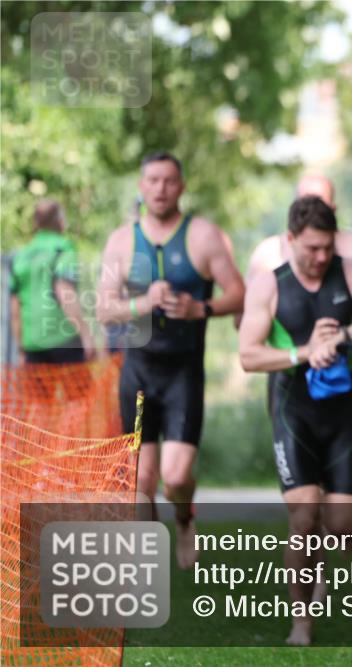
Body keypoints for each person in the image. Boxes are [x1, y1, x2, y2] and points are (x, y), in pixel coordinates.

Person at [239, 195, 352, 646]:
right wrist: (305, 352)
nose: (321, 257)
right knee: (303, 515)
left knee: (342, 524)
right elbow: (247, 355)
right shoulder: (270, 284)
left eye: (327, 247)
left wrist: (342, 336)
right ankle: (301, 622)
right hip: (292, 409)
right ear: (291, 240)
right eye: (311, 249)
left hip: (343, 410)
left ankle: (321, 544)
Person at [96, 151, 245, 569]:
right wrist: (143, 302)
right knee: (142, 479)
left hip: (183, 372)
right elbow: (104, 310)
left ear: (180, 186)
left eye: (169, 181)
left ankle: (184, 520)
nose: (160, 188)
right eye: (153, 180)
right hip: (138, 371)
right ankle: (147, 557)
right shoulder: (121, 241)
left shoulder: (203, 236)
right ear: (142, 187)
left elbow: (239, 293)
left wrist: (202, 310)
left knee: (176, 477)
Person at [245, 173, 352, 284]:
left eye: (320, 205)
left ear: (333, 209)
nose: (322, 257)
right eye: (305, 205)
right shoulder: (267, 254)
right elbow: (247, 310)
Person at [10, 200, 96, 365]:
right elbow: (65, 292)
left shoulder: (21, 256)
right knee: (76, 390)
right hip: (64, 339)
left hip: (32, 343)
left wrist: (20, 347)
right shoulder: (63, 248)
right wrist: (86, 335)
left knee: (37, 392)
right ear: (60, 220)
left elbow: (15, 309)